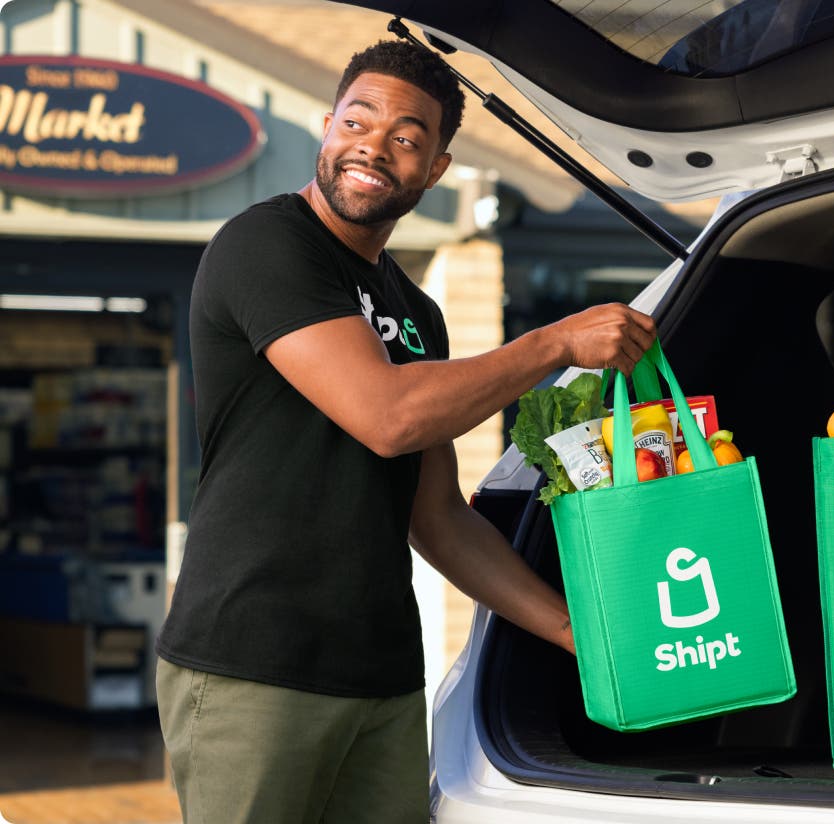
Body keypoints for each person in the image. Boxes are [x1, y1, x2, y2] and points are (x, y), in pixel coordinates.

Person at [154, 38, 656, 824]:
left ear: (436, 169)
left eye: (407, 139)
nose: (373, 147)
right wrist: (553, 344)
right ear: (325, 127)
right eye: (358, 122)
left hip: (382, 681)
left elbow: (439, 518)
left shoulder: (417, 313)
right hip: (255, 665)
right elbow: (388, 418)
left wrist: (580, 636)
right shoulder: (266, 245)